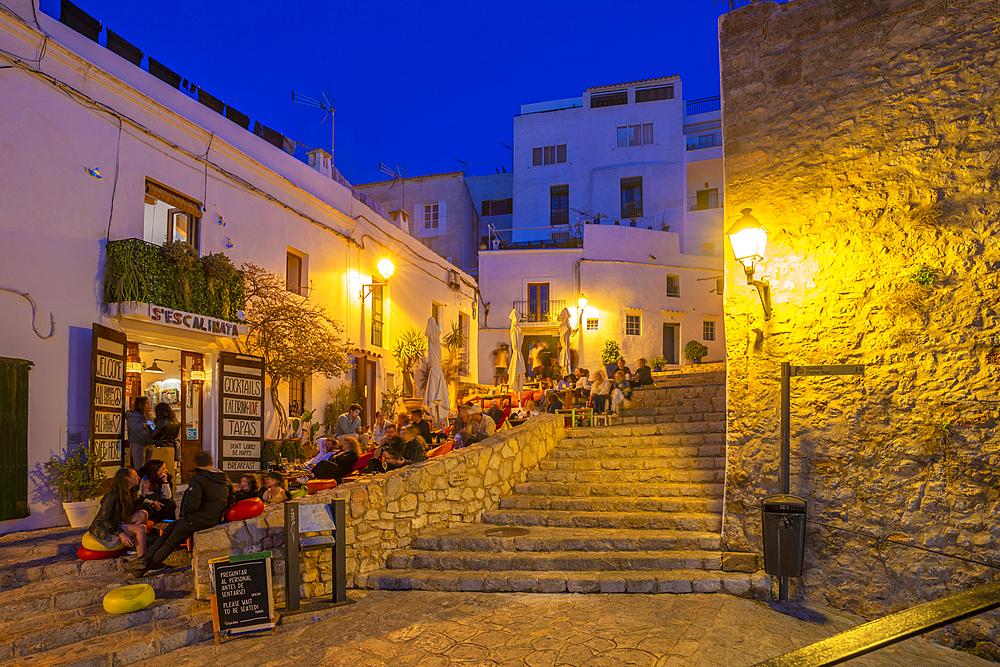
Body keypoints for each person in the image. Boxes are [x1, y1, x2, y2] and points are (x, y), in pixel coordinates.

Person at [124, 451, 233, 577]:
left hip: (198, 518)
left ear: (195, 464)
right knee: (170, 528)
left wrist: (186, 512)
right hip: (212, 518)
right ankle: (142, 560)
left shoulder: (198, 479)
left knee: (171, 541)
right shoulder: (225, 479)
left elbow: (193, 504)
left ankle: (143, 567)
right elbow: (231, 500)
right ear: (212, 463)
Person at [89, 467, 148, 557]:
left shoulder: (129, 493)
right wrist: (121, 533)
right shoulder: (111, 496)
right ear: (127, 478)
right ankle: (143, 559)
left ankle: (134, 547)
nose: (139, 478)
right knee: (141, 528)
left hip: (117, 523)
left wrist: (143, 493)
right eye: (136, 476)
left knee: (142, 514)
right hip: (105, 530)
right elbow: (104, 520)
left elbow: (133, 510)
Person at [125, 396, 155, 469]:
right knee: (140, 467)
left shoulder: (148, 415)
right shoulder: (134, 416)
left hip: (148, 443)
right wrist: (152, 439)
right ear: (141, 405)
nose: (149, 405)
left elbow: (153, 427)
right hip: (139, 443)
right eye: (147, 403)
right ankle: (140, 480)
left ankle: (145, 480)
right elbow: (139, 431)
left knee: (148, 467)